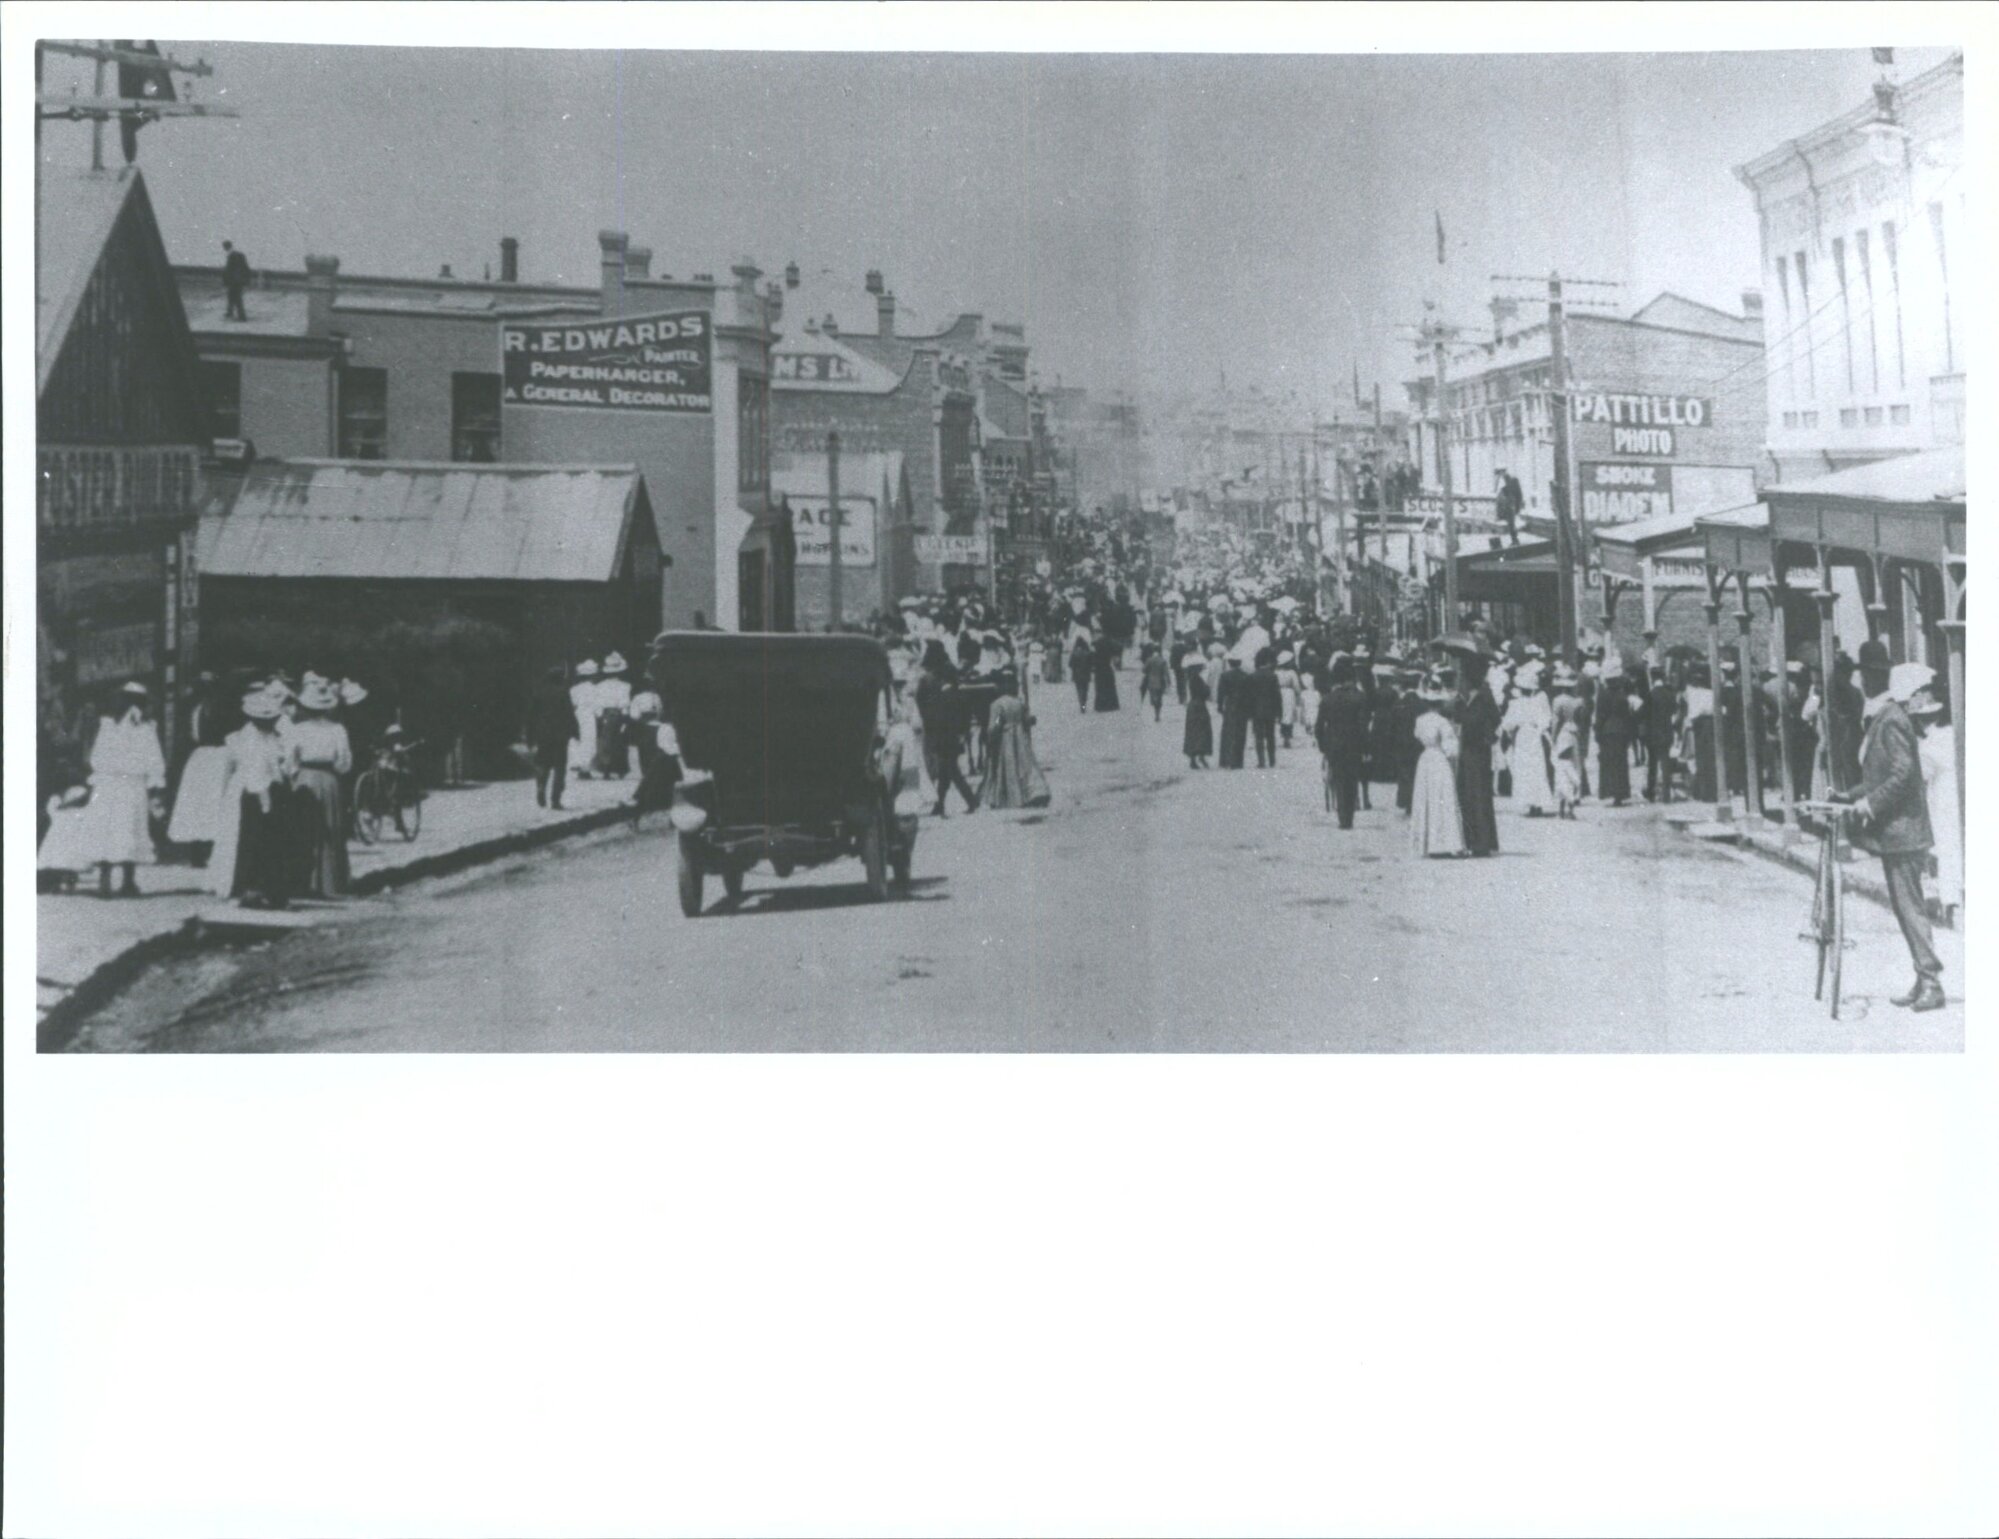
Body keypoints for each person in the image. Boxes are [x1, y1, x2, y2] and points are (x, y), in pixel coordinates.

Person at [1832, 653, 1943, 1012]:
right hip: (1898, 833)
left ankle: (1931, 981)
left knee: (1910, 907)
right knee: (1903, 906)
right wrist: (1848, 796)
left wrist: (1872, 804)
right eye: (1922, 693)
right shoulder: (1891, 718)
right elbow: (1880, 775)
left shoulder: (1892, 721)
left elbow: (1902, 775)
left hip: (1905, 832)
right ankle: (1922, 977)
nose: (1925, 701)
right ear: (1908, 693)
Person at [43, 681, 168, 897]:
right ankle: (112, 881)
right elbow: (101, 757)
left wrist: (153, 780)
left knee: (123, 829)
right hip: (117, 784)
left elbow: (151, 758)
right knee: (113, 829)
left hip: (125, 784)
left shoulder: (141, 727)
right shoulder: (114, 726)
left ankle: (120, 881)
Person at [209, 683, 300, 907]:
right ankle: (253, 889)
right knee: (254, 842)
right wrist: (266, 802)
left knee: (268, 844)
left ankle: (269, 888)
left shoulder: (270, 737)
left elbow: (279, 767)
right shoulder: (250, 739)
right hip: (255, 794)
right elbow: (255, 774)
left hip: (266, 791)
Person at [288, 676, 353, 897]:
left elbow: (290, 760)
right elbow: (344, 762)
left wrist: (294, 774)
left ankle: (304, 882)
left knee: (303, 830)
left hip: (304, 779)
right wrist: (335, 771)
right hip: (328, 779)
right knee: (330, 828)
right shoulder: (338, 730)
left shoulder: (297, 729)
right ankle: (330, 883)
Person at [1910, 683, 1960, 923]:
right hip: (1959, 794)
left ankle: (1950, 904)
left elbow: (1920, 775)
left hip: (1943, 799)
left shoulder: (1928, 746)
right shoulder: (1956, 733)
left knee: (1946, 848)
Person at [167, 672, 235, 851]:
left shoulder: (219, 707)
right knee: (200, 801)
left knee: (212, 800)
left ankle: (208, 846)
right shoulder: (197, 709)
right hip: (204, 756)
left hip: (216, 755)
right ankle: (198, 847)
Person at [915, 641, 979, 816]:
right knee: (946, 769)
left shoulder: (928, 680)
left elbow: (921, 703)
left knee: (949, 768)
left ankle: (969, 800)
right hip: (950, 727)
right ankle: (942, 805)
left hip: (939, 728)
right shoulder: (950, 675)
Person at [1409, 674, 1467, 858]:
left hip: (1426, 758)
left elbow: (1418, 736)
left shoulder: (1420, 720)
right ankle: (1444, 842)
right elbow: (1452, 750)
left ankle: (1428, 842)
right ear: (1441, 703)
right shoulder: (1443, 722)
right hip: (1439, 760)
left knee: (1427, 798)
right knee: (1442, 798)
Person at [1314, 655, 1369, 829]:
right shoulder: (1360, 698)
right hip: (1354, 745)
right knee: (1351, 780)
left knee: (1338, 780)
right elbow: (1363, 726)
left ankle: (1341, 816)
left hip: (1334, 745)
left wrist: (1324, 746)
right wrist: (1365, 748)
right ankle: (1349, 817)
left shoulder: (1328, 699)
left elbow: (1318, 727)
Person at [1454, 654, 1501, 856]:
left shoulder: (1480, 696)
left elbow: (1478, 720)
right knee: (1474, 793)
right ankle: (1479, 839)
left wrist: (1463, 712)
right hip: (1473, 750)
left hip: (1475, 750)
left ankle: (1480, 842)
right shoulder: (1477, 695)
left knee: (1476, 794)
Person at [981, 680, 1052, 810]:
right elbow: (1026, 720)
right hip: (1020, 737)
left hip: (1006, 738)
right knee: (1025, 765)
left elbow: (996, 723)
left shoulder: (997, 704)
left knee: (1008, 766)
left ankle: (1012, 797)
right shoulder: (1019, 702)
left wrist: (991, 736)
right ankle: (1034, 792)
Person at [1501, 661, 1555, 816]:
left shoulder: (1515, 704)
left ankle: (1529, 802)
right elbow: (1545, 721)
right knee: (1537, 768)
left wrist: (1512, 732)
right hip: (1534, 736)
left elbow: (1508, 724)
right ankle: (1538, 803)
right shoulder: (1537, 703)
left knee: (1524, 770)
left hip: (1522, 737)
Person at [528, 664, 578, 810]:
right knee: (559, 768)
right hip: (560, 737)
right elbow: (569, 714)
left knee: (543, 763)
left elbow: (531, 716)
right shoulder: (563, 692)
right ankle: (555, 800)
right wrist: (575, 731)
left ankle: (541, 786)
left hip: (543, 735)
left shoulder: (539, 692)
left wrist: (530, 737)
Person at [1593, 656, 1635, 808]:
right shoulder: (1622, 695)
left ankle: (1610, 791)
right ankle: (1621, 793)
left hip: (1607, 732)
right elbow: (1628, 716)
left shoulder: (1603, 694)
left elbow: (1600, 715)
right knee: (1621, 762)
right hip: (1622, 731)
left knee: (1608, 763)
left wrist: (1597, 732)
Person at [1549, 666, 1585, 819]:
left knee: (1561, 770)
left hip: (1562, 734)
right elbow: (1581, 720)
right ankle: (1571, 806)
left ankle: (1561, 808)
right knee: (1573, 769)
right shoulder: (1578, 701)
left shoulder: (1557, 700)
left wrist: (1552, 738)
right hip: (1574, 733)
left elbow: (1556, 722)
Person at [594, 652, 633, 778]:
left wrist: (599, 717)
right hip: (619, 714)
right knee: (620, 741)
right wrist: (626, 718)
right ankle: (620, 769)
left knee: (606, 741)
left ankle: (606, 768)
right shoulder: (625, 686)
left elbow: (598, 704)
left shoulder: (599, 686)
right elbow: (625, 704)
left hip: (605, 714)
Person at [1249, 646, 1283, 768]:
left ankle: (1261, 761)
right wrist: (1280, 712)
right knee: (1270, 735)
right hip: (1270, 710)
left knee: (1258, 736)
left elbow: (1250, 696)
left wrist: (1249, 712)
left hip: (1257, 710)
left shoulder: (1252, 676)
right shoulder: (1273, 676)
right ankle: (1272, 760)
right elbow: (1277, 696)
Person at [1215, 656, 1251, 770]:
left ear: (1230, 663)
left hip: (1230, 705)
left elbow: (1220, 693)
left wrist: (1220, 706)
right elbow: (1250, 695)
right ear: (1240, 663)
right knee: (1241, 732)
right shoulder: (1245, 676)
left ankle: (1226, 759)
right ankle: (1238, 761)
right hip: (1243, 706)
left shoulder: (1225, 676)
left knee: (1228, 732)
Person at [569, 659, 601, 779]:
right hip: (589, 715)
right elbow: (598, 705)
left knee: (578, 740)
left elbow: (573, 704)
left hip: (578, 714)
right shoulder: (595, 689)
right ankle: (585, 767)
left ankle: (578, 764)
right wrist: (599, 715)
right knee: (589, 740)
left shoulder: (574, 689)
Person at [1182, 657, 1213, 769]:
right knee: (1202, 731)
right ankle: (1201, 755)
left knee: (1192, 732)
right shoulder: (1197, 679)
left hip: (1192, 706)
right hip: (1199, 706)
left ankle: (1193, 758)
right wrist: (1207, 687)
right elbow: (1204, 693)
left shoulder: (1190, 679)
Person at [1091, 631, 1121, 713]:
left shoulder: (1096, 644)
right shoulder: (1110, 642)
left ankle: (1101, 705)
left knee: (1100, 688)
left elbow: (1092, 657)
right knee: (1109, 687)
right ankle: (1111, 705)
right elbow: (1118, 649)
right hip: (1107, 667)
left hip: (1099, 669)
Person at [222, 239, 251, 322]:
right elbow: (245, 268)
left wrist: (226, 281)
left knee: (236, 298)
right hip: (238, 281)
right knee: (231, 296)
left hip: (234, 282)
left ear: (225, 247)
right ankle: (230, 312)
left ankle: (242, 317)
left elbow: (229, 270)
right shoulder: (239, 254)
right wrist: (246, 280)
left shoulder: (232, 256)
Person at [1140, 643, 1170, 722]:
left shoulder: (1149, 660)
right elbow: (1166, 673)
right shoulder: (1162, 660)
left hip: (1151, 681)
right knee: (1159, 699)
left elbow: (1143, 670)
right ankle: (1157, 714)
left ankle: (1155, 707)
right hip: (1160, 682)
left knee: (1153, 697)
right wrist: (1169, 682)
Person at [1069, 625, 1095, 713]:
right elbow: (1092, 664)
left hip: (1077, 675)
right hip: (1086, 674)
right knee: (1085, 690)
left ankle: (1081, 704)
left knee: (1079, 690)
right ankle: (1084, 703)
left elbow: (1070, 664)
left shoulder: (1074, 653)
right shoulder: (1088, 653)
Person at [1494, 468, 1524, 544]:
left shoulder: (1511, 480)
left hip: (1510, 505)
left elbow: (1515, 493)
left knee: (1511, 523)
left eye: (1500, 473)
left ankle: (1515, 539)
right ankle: (1514, 539)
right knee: (1511, 523)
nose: (1500, 475)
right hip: (1509, 505)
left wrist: (1517, 506)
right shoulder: (1507, 480)